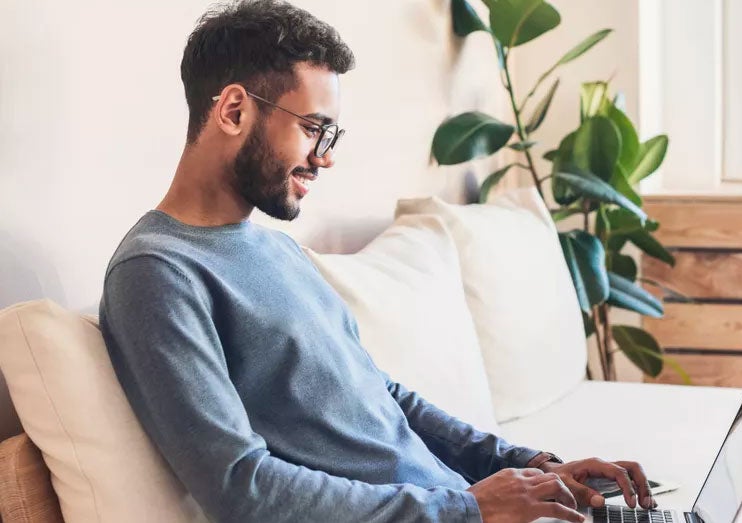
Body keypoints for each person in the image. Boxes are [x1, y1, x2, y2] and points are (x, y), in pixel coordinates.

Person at [98, 1, 655, 521]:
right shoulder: (156, 273)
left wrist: (529, 465)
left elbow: (379, 394)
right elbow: (241, 486)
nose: (327, 156)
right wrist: (466, 509)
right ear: (234, 109)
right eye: (314, 128)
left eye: (330, 132)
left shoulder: (276, 249)